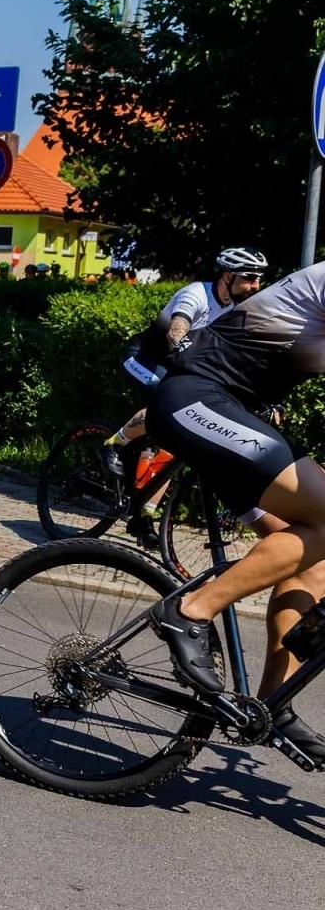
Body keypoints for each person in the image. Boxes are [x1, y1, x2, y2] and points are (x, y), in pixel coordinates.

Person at [143, 255, 325, 760]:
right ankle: (188, 611)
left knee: (315, 554)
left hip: (228, 413)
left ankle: (273, 703)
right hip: (193, 398)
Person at [102, 247, 269, 481]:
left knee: (176, 442)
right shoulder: (196, 293)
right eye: (249, 278)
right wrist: (189, 354)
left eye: (259, 279)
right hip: (143, 357)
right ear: (228, 276)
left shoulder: (237, 310)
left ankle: (145, 511)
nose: (255, 286)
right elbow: (176, 331)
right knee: (167, 399)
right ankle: (114, 444)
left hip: (177, 367)